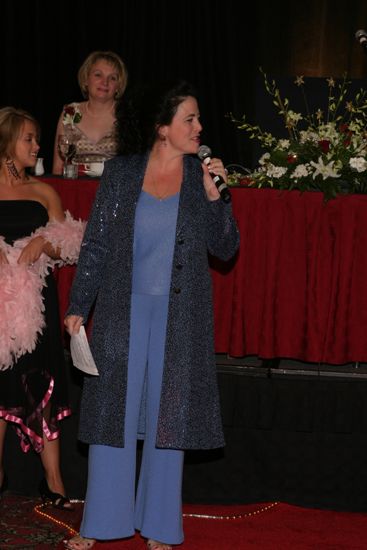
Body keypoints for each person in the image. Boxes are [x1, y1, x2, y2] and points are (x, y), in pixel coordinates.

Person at [63, 80, 240, 550]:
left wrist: (214, 197)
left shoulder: (201, 179)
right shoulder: (121, 175)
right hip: (123, 313)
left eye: (198, 119)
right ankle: (101, 522)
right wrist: (80, 305)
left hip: (178, 321)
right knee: (111, 417)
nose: (200, 127)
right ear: (162, 128)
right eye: (190, 119)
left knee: (169, 421)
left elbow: (226, 248)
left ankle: (160, 526)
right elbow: (96, 246)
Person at [0, 107, 85, 509]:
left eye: (36, 139)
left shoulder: (43, 190)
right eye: (28, 138)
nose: (37, 146)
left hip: (37, 301)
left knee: (43, 380)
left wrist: (43, 244)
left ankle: (53, 478)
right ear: (6, 141)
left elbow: (70, 242)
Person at [52, 50, 128, 175]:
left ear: (118, 87)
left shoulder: (127, 115)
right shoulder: (70, 113)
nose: (105, 82)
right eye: (98, 75)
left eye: (112, 78)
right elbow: (57, 169)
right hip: (74, 191)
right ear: (86, 79)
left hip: (116, 192)